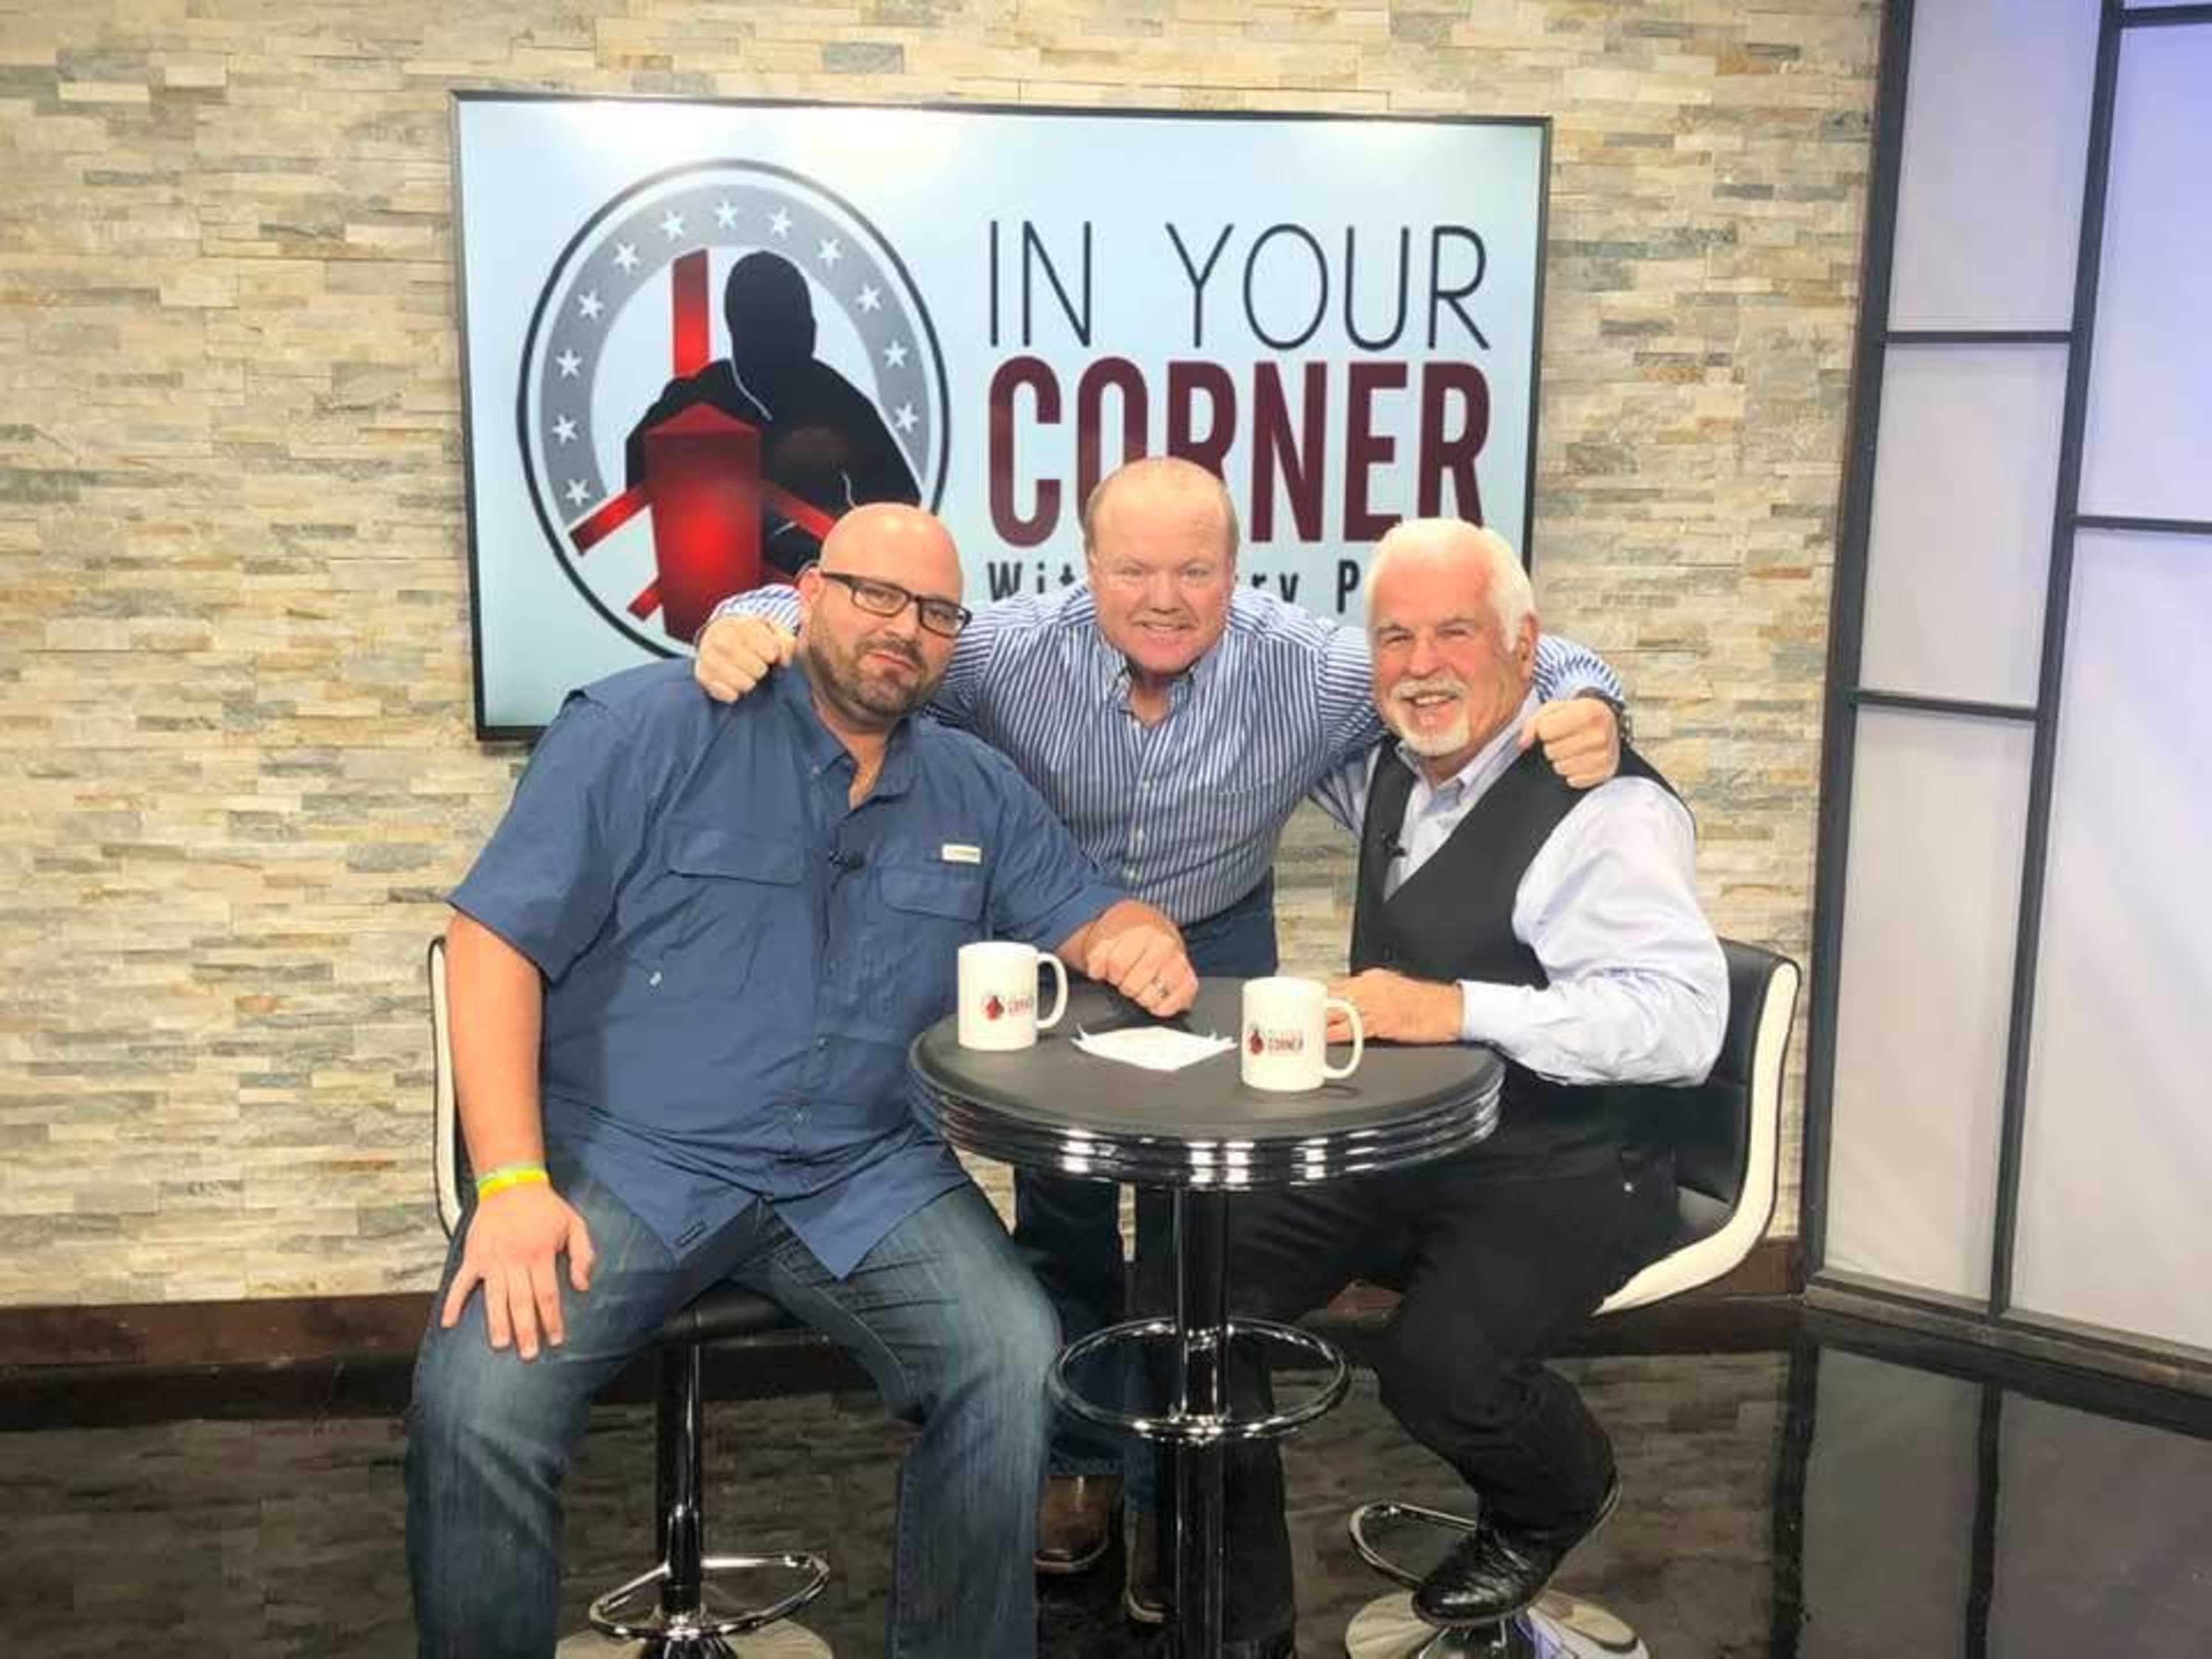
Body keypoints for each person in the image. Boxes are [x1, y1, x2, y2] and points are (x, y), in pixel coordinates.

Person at [690, 456, 1631, 1596]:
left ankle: (1175, 1501)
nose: (1165, 598)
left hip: (1218, 940)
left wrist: (1595, 703)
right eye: (1134, 570)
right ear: (1087, 569)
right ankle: (1082, 1465)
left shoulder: (1308, 666)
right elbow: (848, 613)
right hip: (1065, 939)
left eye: (1195, 571)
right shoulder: (1009, 650)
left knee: (1206, 1232)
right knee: (1066, 1218)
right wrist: (742, 625)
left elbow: (1512, 650)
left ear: (1237, 573)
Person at [405, 502, 1198, 1659]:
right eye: (878, 594)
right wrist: (514, 1184)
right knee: (479, 1405)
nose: (904, 628)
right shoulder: (642, 729)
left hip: (863, 1174)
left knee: (1011, 1355)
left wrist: (1139, 939)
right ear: (810, 594)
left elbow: (1091, 910)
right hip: (630, 1161)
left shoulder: (974, 786)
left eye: (936, 613)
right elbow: (491, 943)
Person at [1169, 517, 1726, 1656]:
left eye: (1455, 633)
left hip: (1574, 1166)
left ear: (1526, 649)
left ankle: (1557, 1493)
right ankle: (1235, 1617)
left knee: (1435, 1372)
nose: (1422, 665)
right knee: (1195, 1282)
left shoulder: (1609, 810)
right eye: (1396, 639)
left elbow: (1683, 1024)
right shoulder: (1393, 769)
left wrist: (1457, 1008)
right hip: (1414, 1148)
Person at [623, 250, 921, 574]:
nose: (798, 338)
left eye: (803, 324)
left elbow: (902, 506)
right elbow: (637, 487)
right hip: (720, 583)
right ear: (738, 333)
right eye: (775, 327)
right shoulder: (693, 399)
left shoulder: (837, 399)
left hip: (821, 580)